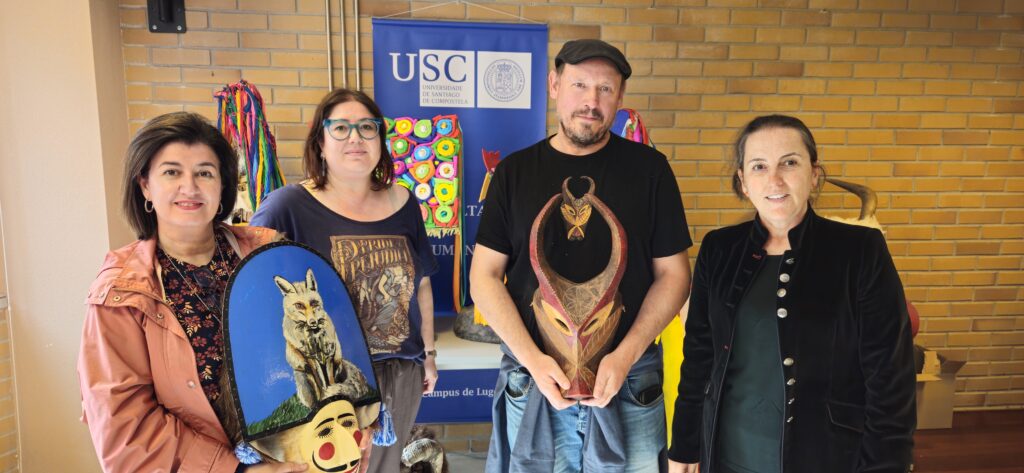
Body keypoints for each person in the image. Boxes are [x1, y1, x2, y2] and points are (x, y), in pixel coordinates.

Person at [471, 39, 693, 473]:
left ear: (620, 97)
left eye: (605, 89)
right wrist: (533, 361)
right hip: (535, 380)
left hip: (630, 381)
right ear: (554, 85)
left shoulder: (651, 171)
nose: (592, 101)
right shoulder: (514, 173)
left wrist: (625, 355)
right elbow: (484, 277)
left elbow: (674, 276)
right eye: (579, 85)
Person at [668, 115, 916, 473]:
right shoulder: (719, 249)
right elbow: (698, 358)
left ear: (814, 174)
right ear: (743, 182)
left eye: (789, 162)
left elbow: (891, 377)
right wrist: (684, 445)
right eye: (759, 166)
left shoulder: (860, 251)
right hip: (728, 454)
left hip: (827, 458)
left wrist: (885, 466)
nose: (775, 179)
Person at [77, 112, 306, 472]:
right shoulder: (120, 292)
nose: (190, 187)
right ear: (145, 186)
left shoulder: (269, 254)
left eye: (204, 173)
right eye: (172, 172)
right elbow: (122, 426)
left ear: (222, 186)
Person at [250, 88, 439, 473]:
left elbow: (420, 284)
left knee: (385, 469)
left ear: (381, 140)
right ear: (320, 142)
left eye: (367, 127)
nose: (356, 137)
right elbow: (252, 292)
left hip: (401, 375)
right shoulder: (287, 207)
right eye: (340, 128)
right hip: (331, 381)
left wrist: (429, 356)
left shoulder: (405, 203)